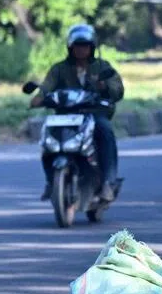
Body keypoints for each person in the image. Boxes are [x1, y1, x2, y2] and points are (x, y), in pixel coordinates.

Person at [31, 23, 124, 200]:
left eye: (85, 46)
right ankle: (51, 181)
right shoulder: (59, 69)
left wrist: (104, 87)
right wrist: (39, 97)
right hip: (65, 115)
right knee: (47, 140)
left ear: (92, 47)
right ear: (70, 47)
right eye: (77, 46)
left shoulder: (103, 67)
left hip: (94, 113)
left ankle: (108, 182)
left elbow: (117, 90)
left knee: (105, 131)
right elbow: (46, 87)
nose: (81, 50)